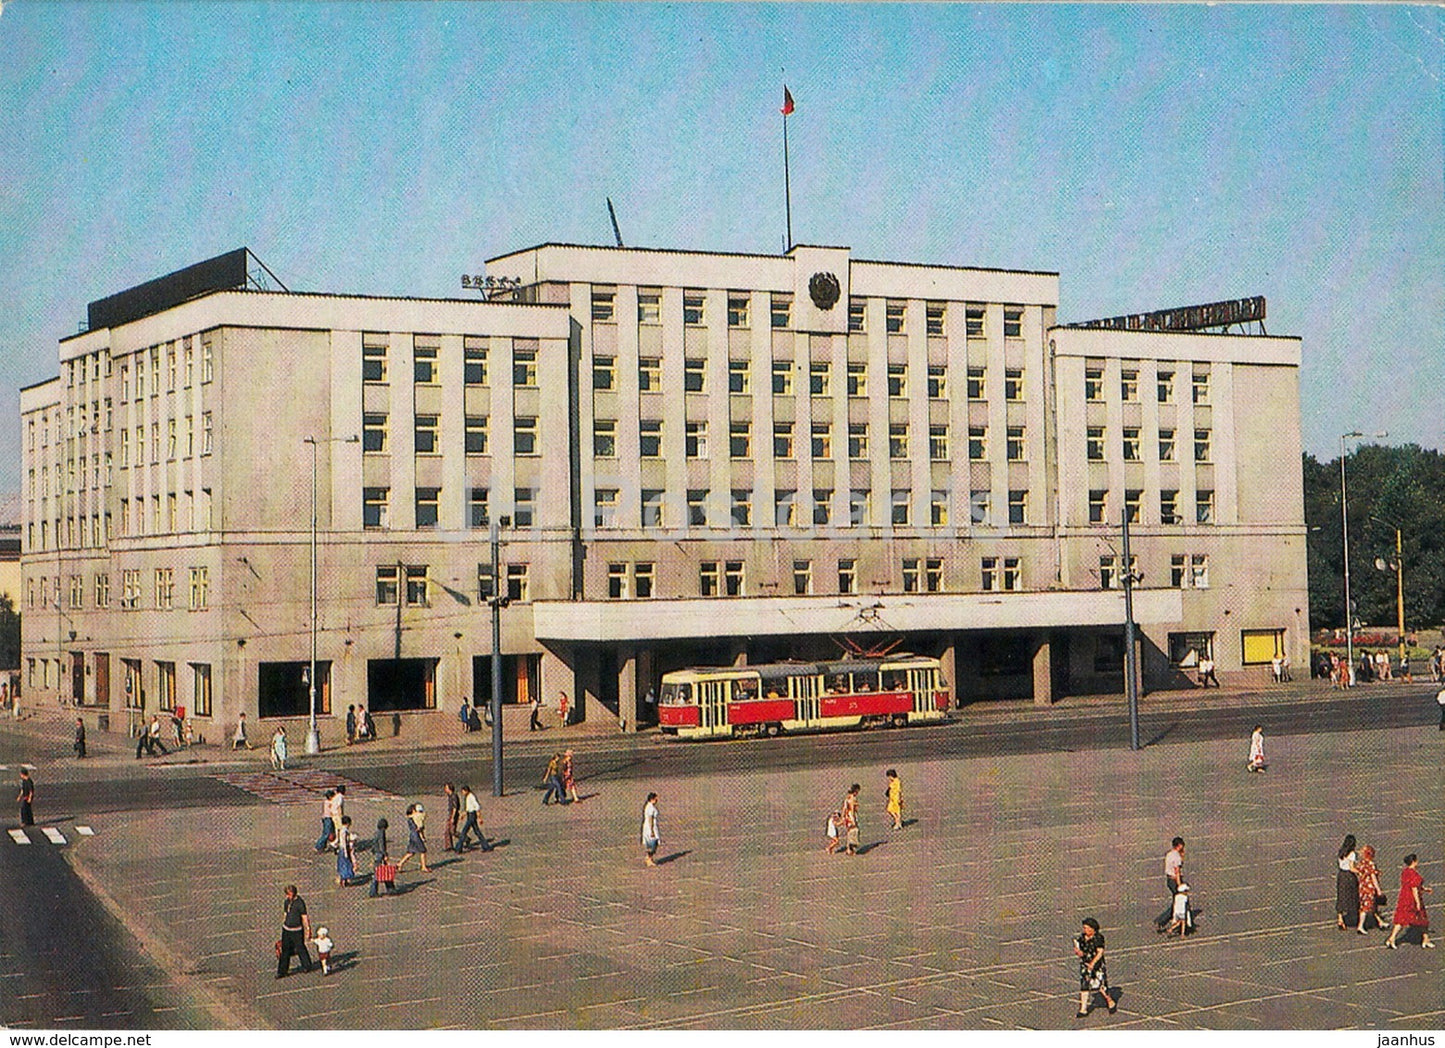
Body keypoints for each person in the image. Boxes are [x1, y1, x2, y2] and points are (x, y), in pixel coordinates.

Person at [1385, 853, 1435, 949]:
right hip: (1411, 899)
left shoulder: (1405, 872)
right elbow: (1414, 889)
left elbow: (1413, 886)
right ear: (1414, 862)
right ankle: (1425, 939)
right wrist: (1418, 902)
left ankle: (1392, 938)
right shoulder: (1414, 874)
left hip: (1404, 897)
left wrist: (1425, 889)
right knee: (1421, 918)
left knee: (1403, 919)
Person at [1072, 918, 1117, 1018]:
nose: (1085, 930)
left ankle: (1109, 1000)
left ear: (1093, 929)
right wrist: (1079, 953)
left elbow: (1100, 952)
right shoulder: (1082, 938)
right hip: (1085, 965)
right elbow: (1082, 952)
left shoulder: (1098, 938)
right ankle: (1083, 1009)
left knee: (1101, 986)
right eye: (1084, 928)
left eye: (1088, 928)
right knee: (1084, 985)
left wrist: (1093, 963)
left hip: (1097, 966)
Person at [276, 885, 313, 978]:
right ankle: (282, 971)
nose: (288, 896)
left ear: (294, 893)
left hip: (297, 930)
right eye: (287, 894)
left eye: (289, 894)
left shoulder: (300, 903)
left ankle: (307, 965)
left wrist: (308, 930)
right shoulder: (287, 902)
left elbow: (304, 917)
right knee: (285, 950)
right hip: (287, 929)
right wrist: (284, 923)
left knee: (300, 947)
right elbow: (285, 914)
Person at [1154, 838, 1190, 933]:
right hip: (1174, 881)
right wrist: (1180, 885)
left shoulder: (1169, 854)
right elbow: (1177, 871)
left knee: (1177, 903)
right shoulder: (1177, 857)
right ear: (1179, 846)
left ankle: (1181, 923)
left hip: (1169, 880)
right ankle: (1162, 921)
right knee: (1178, 904)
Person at [1356, 844, 1386, 933]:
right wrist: (1378, 889)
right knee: (1366, 907)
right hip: (1369, 888)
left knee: (1370, 905)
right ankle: (1360, 926)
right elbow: (1373, 878)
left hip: (1362, 886)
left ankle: (1380, 922)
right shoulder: (1371, 864)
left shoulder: (1361, 863)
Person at [455, 785, 492, 852]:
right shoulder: (468, 797)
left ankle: (459, 848)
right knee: (477, 832)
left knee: (464, 831)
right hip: (470, 815)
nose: (462, 793)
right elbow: (468, 808)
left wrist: (479, 817)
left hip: (472, 816)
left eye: (463, 791)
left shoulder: (471, 797)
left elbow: (477, 807)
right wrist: (464, 815)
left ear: (466, 791)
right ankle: (486, 846)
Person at [396, 803, 430, 874]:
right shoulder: (416, 818)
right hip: (416, 836)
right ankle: (423, 866)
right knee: (423, 851)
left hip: (412, 835)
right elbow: (419, 828)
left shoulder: (410, 818)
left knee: (411, 852)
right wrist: (422, 836)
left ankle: (400, 864)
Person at [1337, 835, 1360, 931]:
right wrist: (1360, 871)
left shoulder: (1341, 852)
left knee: (1341, 896)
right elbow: (1351, 868)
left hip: (1341, 875)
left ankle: (1340, 918)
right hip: (1349, 876)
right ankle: (1356, 914)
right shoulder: (1352, 854)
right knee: (1352, 895)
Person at [369, 817, 396, 898]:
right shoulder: (382, 833)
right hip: (380, 855)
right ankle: (388, 889)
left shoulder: (376, 832)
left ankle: (387, 889)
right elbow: (382, 845)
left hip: (376, 854)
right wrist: (385, 855)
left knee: (379, 872)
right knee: (384, 872)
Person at [335, 815, 357, 886]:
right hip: (344, 849)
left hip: (342, 849)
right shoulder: (344, 831)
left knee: (343, 865)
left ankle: (343, 878)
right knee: (346, 865)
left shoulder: (341, 830)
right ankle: (345, 878)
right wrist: (345, 852)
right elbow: (344, 842)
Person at [641, 792, 660, 867]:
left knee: (651, 843)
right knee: (653, 842)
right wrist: (652, 830)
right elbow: (650, 819)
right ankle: (649, 858)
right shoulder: (650, 808)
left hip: (647, 826)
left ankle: (649, 858)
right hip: (650, 827)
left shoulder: (648, 806)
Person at [842, 784, 861, 856]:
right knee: (854, 832)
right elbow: (852, 809)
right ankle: (851, 849)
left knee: (849, 832)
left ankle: (848, 849)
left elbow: (844, 808)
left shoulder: (847, 798)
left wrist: (843, 817)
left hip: (847, 816)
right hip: (851, 816)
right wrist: (853, 819)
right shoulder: (853, 799)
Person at [442, 783, 460, 852]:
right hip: (450, 813)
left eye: (446, 788)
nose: (445, 789)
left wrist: (452, 817)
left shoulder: (454, 796)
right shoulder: (449, 796)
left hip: (453, 814)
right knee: (447, 831)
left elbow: (455, 807)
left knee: (452, 831)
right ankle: (448, 846)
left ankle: (464, 838)